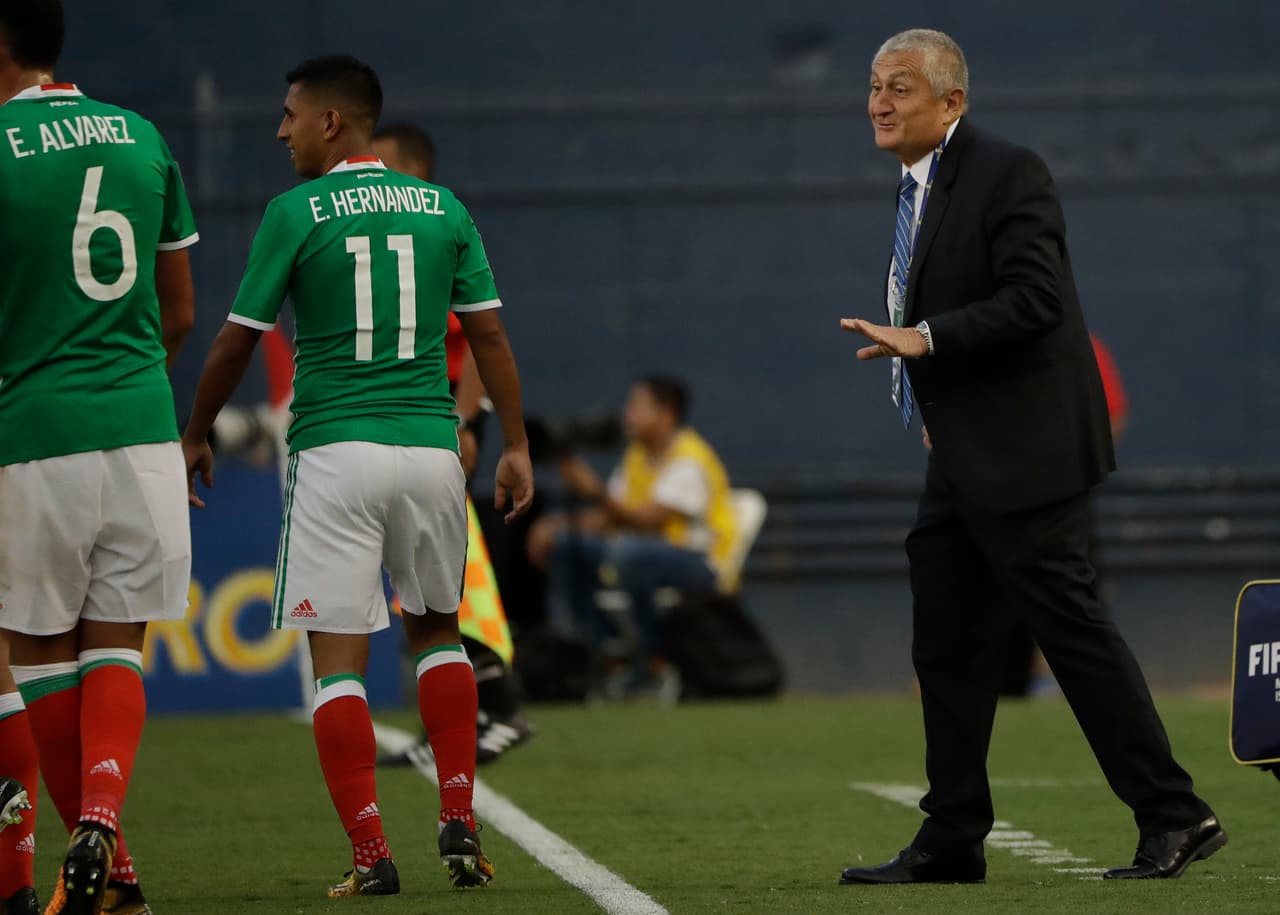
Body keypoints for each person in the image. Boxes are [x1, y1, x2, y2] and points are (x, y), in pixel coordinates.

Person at [838, 29, 1223, 884]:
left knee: (1072, 634)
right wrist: (936, 395)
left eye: (900, 87)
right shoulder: (919, 186)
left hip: (1028, 452)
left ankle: (1175, 812)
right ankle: (952, 835)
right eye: (873, 86)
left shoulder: (1009, 171)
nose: (879, 101)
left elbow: (1036, 298)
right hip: (966, 452)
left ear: (953, 103)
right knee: (945, 635)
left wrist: (925, 339)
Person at [180, 55, 533, 898]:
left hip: (337, 449)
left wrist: (195, 430)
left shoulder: (297, 211)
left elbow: (235, 338)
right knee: (439, 635)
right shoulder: (443, 207)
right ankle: (459, 814)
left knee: (336, 661)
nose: (281, 130)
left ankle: (373, 852)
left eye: (291, 115)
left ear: (331, 121)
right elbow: (489, 341)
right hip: (429, 448)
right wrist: (514, 441)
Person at [0, 2, 198, 912]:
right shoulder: (142, 137)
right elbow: (181, 310)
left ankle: (108, 864)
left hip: (33, 431)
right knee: (118, 640)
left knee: (38, 651)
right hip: (142, 427)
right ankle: (107, 834)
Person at [370, 122, 534, 765]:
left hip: (439, 425)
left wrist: (465, 425)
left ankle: (500, 712)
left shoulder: (438, 233)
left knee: (454, 579)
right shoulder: (385, 240)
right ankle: (449, 724)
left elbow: (477, 339)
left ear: (417, 170)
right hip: (401, 427)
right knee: (417, 578)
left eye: (383, 166)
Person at [528, 376, 737, 698]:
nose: (628, 415)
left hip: (699, 563)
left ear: (666, 412)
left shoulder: (689, 458)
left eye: (637, 406)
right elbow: (611, 517)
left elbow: (646, 521)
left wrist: (594, 490)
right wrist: (555, 526)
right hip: (638, 553)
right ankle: (612, 651)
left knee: (630, 554)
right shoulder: (638, 455)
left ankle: (651, 656)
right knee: (568, 547)